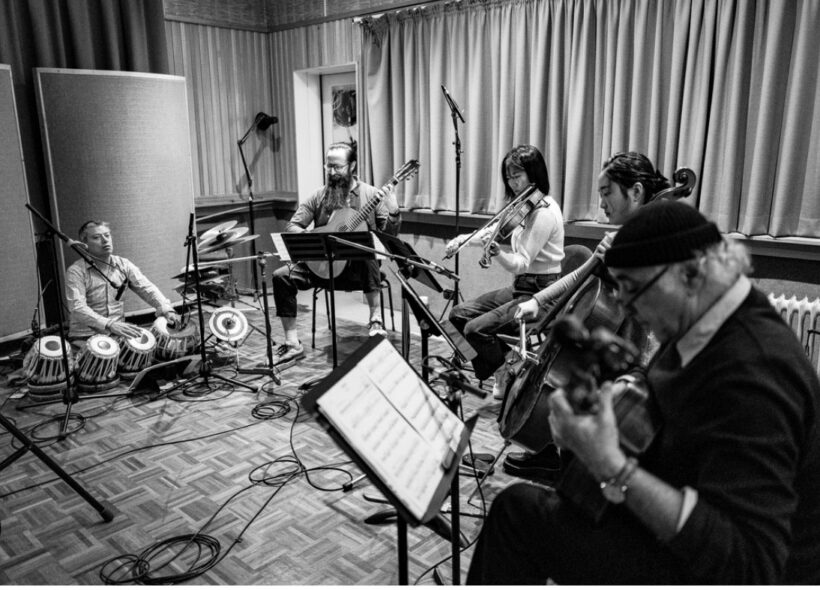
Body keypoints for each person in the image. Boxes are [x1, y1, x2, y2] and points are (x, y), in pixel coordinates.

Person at [467, 200, 820, 584]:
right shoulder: (706, 318)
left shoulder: (754, 370)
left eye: (633, 291)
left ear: (690, 272)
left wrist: (611, 465)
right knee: (534, 511)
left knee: (517, 517)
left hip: (725, 569)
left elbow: (749, 562)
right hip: (689, 518)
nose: (629, 310)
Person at [503, 151, 670, 482]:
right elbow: (579, 275)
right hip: (612, 345)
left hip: (638, 356)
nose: (602, 203)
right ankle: (559, 460)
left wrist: (626, 258)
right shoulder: (618, 238)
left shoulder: (661, 237)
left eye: (607, 192)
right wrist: (537, 301)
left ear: (636, 192)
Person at [445, 145, 564, 398]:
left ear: (534, 173)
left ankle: (504, 368)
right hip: (520, 287)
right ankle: (496, 365)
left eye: (516, 176)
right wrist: (462, 240)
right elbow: (493, 231)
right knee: (457, 315)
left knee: (474, 330)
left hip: (542, 293)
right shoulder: (521, 205)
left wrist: (498, 253)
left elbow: (520, 262)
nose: (512, 182)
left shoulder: (544, 213)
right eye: (508, 177)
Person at [271, 141, 401, 364]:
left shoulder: (371, 194)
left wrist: (394, 211)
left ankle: (375, 319)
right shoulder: (319, 196)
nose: (331, 172)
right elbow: (293, 225)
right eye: (328, 166)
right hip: (321, 268)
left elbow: (387, 237)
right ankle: (292, 343)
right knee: (281, 276)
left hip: (357, 273)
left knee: (366, 248)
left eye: (337, 167)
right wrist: (318, 236)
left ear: (352, 166)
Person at [65, 220, 180, 345]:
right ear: (85, 244)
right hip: (84, 336)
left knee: (153, 346)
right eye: (96, 237)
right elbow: (77, 308)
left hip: (118, 333)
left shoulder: (123, 265)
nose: (105, 240)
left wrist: (166, 309)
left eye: (107, 235)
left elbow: (147, 288)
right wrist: (109, 324)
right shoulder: (76, 271)